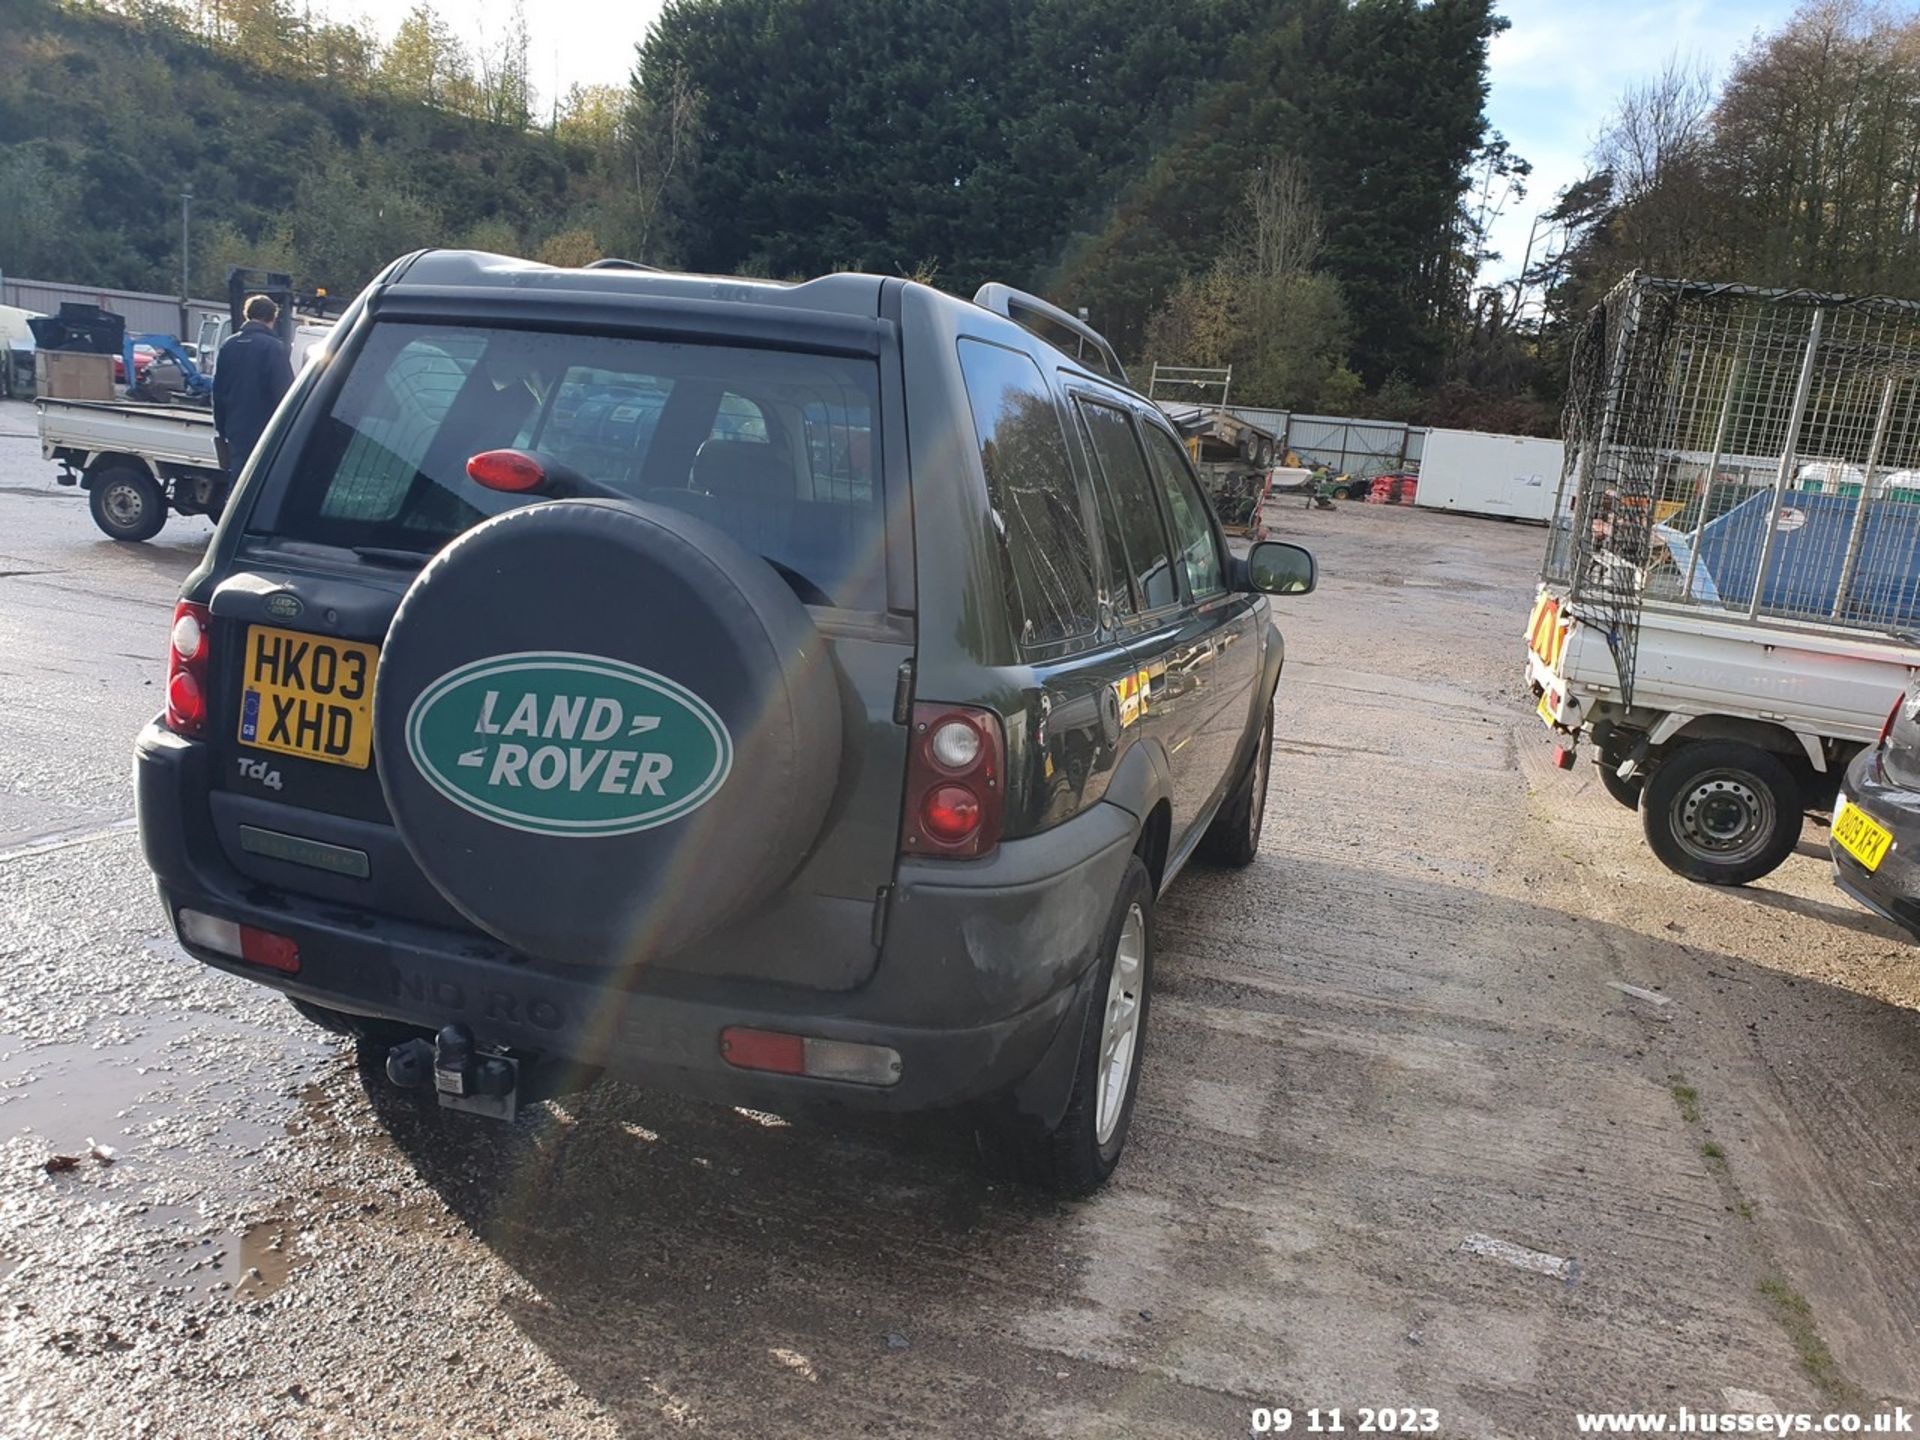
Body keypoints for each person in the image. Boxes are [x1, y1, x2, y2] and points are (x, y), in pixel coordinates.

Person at [212, 294, 294, 491]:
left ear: (246, 315)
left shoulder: (228, 346)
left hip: (236, 428)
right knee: (263, 483)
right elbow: (284, 392)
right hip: (266, 428)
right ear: (272, 318)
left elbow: (218, 390)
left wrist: (222, 427)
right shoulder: (273, 347)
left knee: (239, 481)